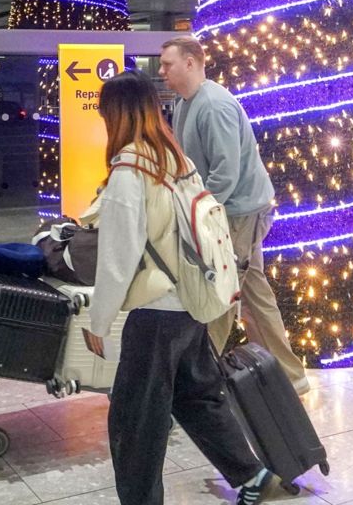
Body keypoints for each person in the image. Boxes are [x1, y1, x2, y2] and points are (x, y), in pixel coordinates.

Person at [84, 69, 274, 505]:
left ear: (114, 114)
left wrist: (99, 320)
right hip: (191, 300)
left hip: (154, 313)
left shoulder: (128, 173)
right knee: (195, 396)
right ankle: (249, 473)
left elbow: (118, 258)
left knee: (136, 420)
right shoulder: (174, 159)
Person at [159, 36, 309, 395]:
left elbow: (225, 173)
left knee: (223, 289)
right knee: (246, 290)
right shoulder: (184, 103)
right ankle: (289, 376)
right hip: (230, 211)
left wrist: (197, 215)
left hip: (239, 213)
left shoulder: (213, 106)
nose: (161, 70)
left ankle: (199, 378)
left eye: (168, 64)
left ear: (192, 63)